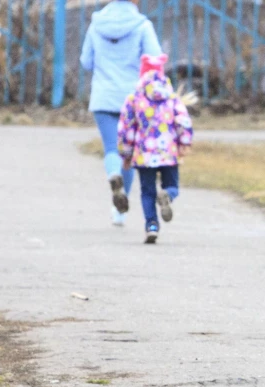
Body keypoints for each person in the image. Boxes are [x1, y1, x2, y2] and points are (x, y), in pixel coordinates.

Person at [79, 0, 161, 226]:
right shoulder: (142, 26)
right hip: (133, 99)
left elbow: (86, 62)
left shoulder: (96, 24)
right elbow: (155, 59)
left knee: (111, 148)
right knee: (129, 154)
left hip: (103, 97)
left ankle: (112, 176)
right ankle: (120, 213)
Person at [117, 54, 193, 244]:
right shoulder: (172, 97)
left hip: (144, 154)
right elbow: (183, 121)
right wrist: (184, 144)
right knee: (173, 185)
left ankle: (151, 226)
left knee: (147, 192)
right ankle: (167, 194)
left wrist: (126, 153)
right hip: (168, 153)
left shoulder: (134, 99)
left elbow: (127, 128)